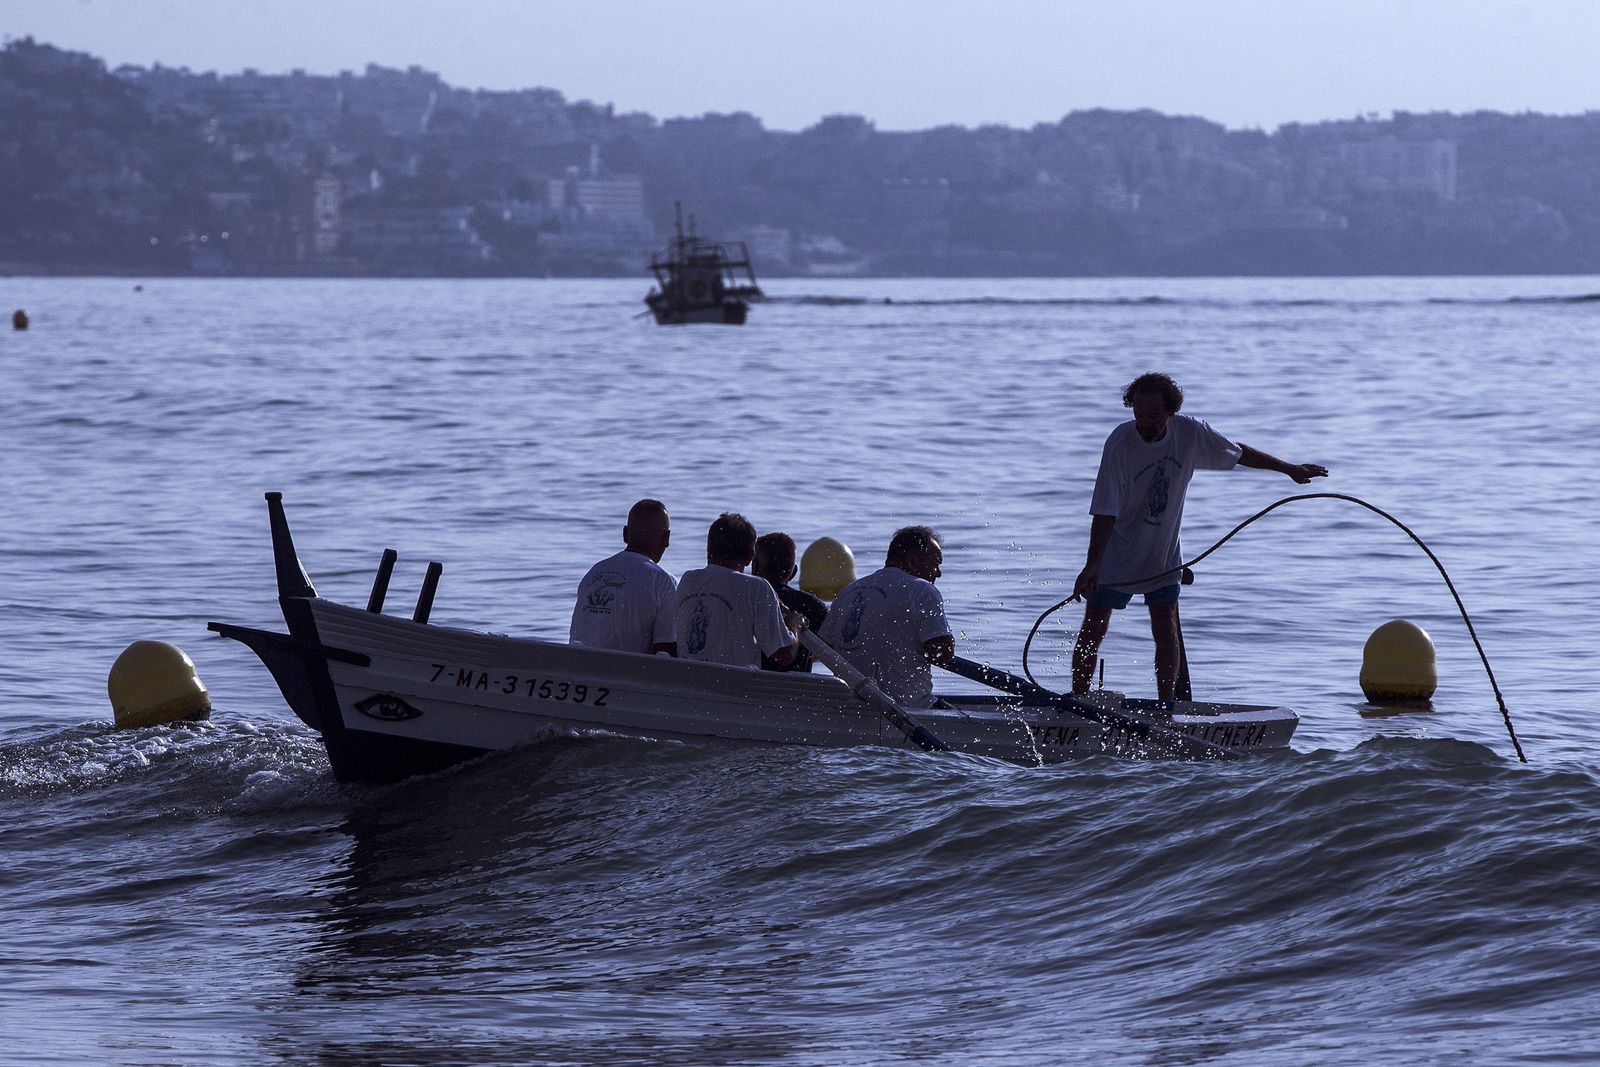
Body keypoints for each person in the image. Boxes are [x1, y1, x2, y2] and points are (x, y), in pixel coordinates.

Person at [1070, 373, 1329, 700]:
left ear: (1170, 412)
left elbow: (1238, 453)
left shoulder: (1190, 432)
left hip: (1162, 557)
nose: (1145, 423)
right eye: (1138, 415)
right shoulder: (1120, 443)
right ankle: (1077, 703)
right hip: (1116, 554)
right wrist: (1092, 565)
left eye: (1153, 416)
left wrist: (1289, 468)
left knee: (1165, 628)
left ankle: (1168, 709)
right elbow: (1105, 509)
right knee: (1094, 627)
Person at [817, 526, 954, 708]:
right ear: (912, 561)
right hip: (908, 708)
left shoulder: (848, 592)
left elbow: (824, 650)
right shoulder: (923, 591)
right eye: (935, 563)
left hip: (851, 708)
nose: (938, 572)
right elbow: (942, 655)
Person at [675, 513, 804, 668]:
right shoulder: (757, 587)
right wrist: (795, 624)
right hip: (734, 687)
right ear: (750, 556)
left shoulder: (688, 580)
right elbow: (784, 655)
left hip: (687, 681)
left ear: (708, 548)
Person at [569, 499, 677, 656]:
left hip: (579, 668)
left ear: (625, 534)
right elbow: (665, 651)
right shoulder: (663, 582)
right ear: (666, 538)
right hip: (627, 675)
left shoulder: (593, 574)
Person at [752, 532, 829, 672]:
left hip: (748, 686)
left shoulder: (746, 599)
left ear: (755, 566)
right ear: (793, 572)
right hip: (798, 690)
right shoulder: (813, 607)